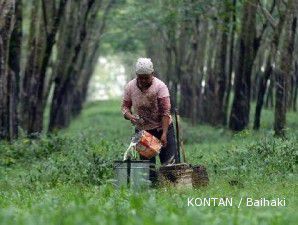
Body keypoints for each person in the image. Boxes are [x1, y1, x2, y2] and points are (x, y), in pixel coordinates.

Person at [121, 58, 180, 167]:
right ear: (136, 75)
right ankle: (152, 183)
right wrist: (130, 116)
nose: (143, 80)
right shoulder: (130, 87)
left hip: (162, 128)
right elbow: (125, 107)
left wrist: (164, 134)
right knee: (147, 168)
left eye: (146, 78)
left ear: (152, 74)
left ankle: (169, 182)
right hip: (143, 132)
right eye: (140, 78)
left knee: (170, 165)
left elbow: (165, 112)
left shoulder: (160, 87)